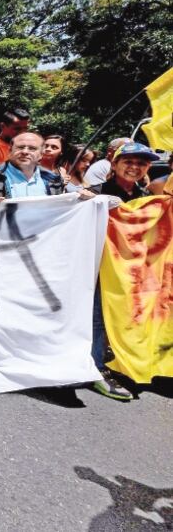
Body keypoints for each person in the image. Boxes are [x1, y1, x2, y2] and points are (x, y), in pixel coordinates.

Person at [86, 142, 160, 401]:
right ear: (114, 164)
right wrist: (88, 201)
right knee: (98, 317)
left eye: (141, 163)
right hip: (98, 268)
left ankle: (114, 360)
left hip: (130, 271)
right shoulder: (96, 191)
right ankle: (95, 369)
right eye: (128, 161)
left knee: (121, 317)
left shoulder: (145, 196)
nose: (134, 167)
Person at [0, 132, 65, 207]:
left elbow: (60, 210)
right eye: (20, 147)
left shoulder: (54, 180)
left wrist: (78, 199)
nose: (25, 152)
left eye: (32, 148)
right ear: (9, 151)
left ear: (41, 154)